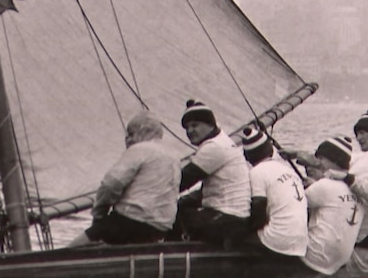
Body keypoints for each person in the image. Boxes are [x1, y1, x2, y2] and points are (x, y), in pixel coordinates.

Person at [68, 111, 180, 247]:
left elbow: (111, 184)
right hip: (161, 227)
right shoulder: (174, 157)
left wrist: (99, 214)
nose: (126, 139)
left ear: (144, 131)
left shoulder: (139, 149)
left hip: (131, 221)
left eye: (131, 134)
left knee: (72, 248)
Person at [173, 100, 251, 247]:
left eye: (195, 125)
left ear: (210, 124)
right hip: (235, 217)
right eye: (187, 127)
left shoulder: (214, 147)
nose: (190, 131)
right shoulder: (222, 142)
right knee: (179, 207)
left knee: (171, 214)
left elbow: (180, 182)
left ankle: (174, 255)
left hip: (227, 219)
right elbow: (204, 191)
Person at [242, 126, 309, 257]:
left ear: (247, 157)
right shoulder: (287, 169)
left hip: (277, 241)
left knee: (233, 233)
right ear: (271, 151)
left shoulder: (257, 172)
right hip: (301, 242)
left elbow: (258, 212)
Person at [301, 136, 363, 274]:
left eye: (322, 158)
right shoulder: (358, 190)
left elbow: (290, 205)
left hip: (314, 258)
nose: (318, 162)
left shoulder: (325, 186)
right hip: (337, 263)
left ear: (335, 161)